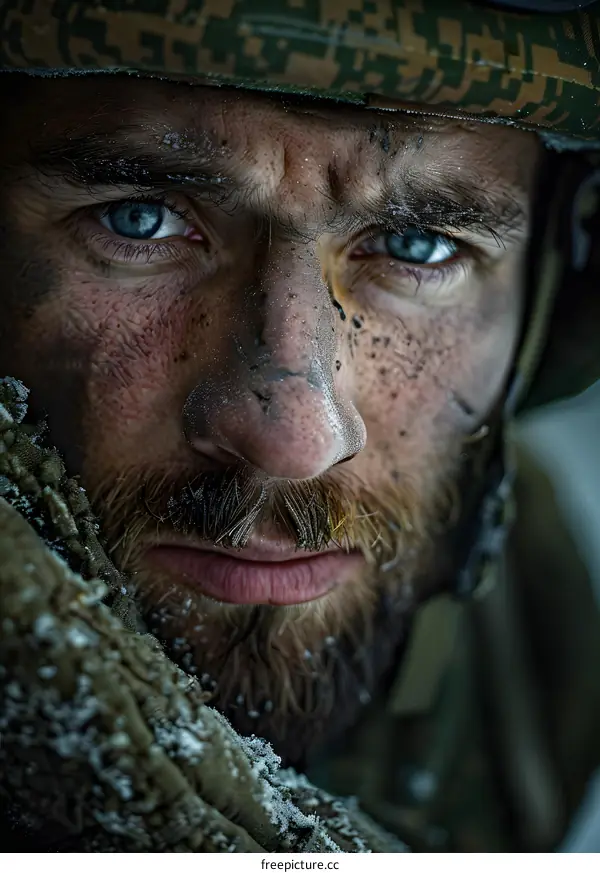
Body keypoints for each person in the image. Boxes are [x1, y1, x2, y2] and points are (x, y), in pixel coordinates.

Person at [1, 0, 599, 852]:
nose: (292, 438)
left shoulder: (535, 655)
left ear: (543, 306)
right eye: (139, 218)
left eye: (418, 246)